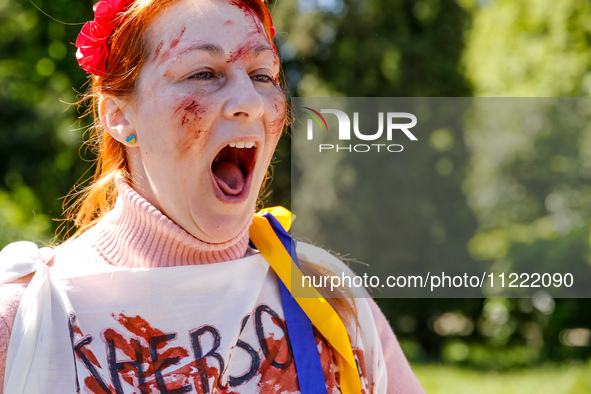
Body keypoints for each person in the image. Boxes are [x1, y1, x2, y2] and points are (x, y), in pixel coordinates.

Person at [0, 0, 425, 392]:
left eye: (263, 76)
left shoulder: (328, 296)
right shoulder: (26, 317)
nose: (251, 103)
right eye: (203, 73)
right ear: (119, 116)